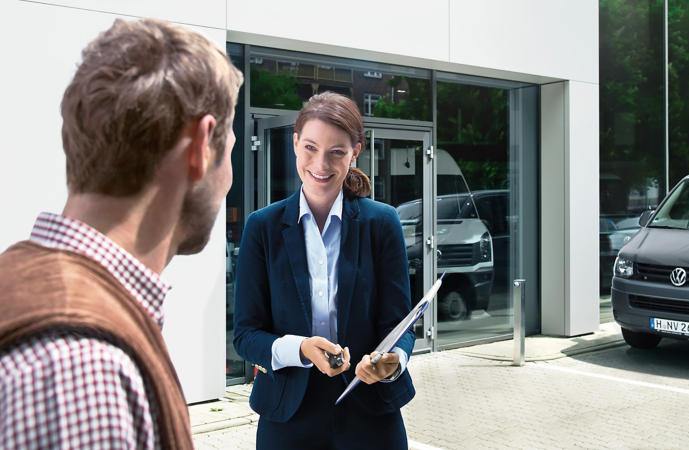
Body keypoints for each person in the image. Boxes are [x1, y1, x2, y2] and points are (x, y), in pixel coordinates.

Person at [0, 19, 242, 449]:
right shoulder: (80, 369)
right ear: (200, 147)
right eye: (230, 150)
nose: (228, 179)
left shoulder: (30, 287)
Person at [233, 91, 416, 449]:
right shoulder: (262, 227)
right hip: (288, 412)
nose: (321, 164)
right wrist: (302, 349)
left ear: (355, 152)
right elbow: (246, 336)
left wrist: (392, 362)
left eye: (337, 152)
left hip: (370, 407)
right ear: (295, 144)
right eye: (311, 148)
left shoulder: (382, 223)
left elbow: (398, 324)